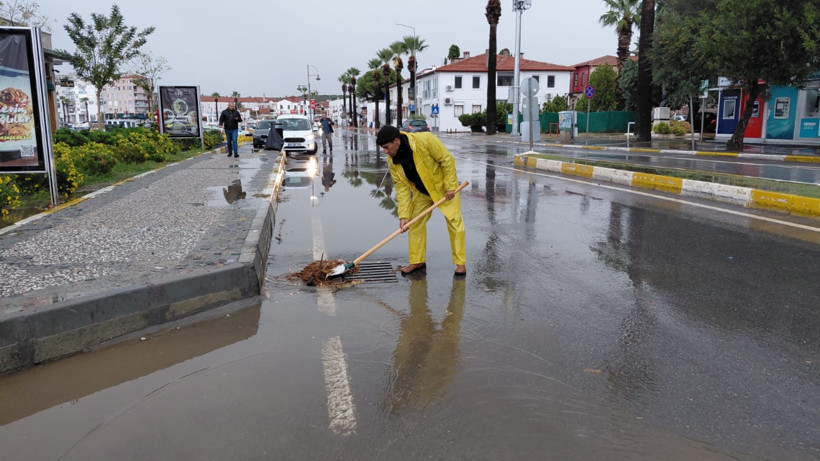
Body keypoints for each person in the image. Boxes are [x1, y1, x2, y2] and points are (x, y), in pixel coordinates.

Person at [376, 125, 466, 276]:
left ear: (396, 141)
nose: (385, 151)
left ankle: (460, 263)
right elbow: (402, 187)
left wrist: (450, 186)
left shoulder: (425, 140)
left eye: (386, 147)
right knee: (415, 222)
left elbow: (447, 160)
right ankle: (417, 261)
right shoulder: (393, 161)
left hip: (443, 189)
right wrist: (404, 216)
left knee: (454, 221)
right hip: (422, 192)